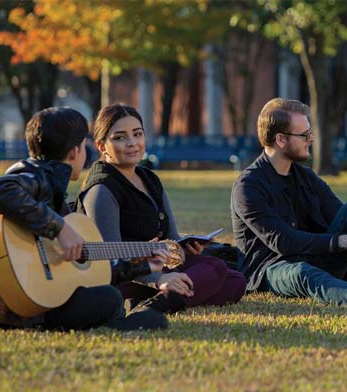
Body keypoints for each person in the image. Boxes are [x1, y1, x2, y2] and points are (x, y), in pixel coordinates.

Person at [0, 107, 169, 330]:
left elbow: (88, 266)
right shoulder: (34, 177)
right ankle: (121, 323)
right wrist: (60, 228)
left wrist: (143, 265)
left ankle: (120, 321)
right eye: (85, 146)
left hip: (1, 307)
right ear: (74, 152)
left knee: (106, 297)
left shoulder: (51, 192)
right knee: (111, 299)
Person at [230, 98, 347, 310]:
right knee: (301, 272)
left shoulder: (305, 177)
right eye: (304, 135)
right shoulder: (248, 187)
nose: (310, 139)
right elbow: (283, 241)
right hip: (272, 269)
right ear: (281, 140)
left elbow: (342, 216)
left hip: (315, 257)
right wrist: (345, 241)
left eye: (309, 133)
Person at [74, 103, 246, 314]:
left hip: (160, 267)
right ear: (101, 146)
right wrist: (159, 278)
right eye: (119, 137)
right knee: (216, 272)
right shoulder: (101, 189)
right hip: (124, 278)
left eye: (137, 134)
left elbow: (171, 237)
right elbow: (110, 260)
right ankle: (159, 303)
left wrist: (185, 248)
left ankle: (162, 299)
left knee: (234, 280)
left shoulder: (150, 179)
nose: (132, 143)